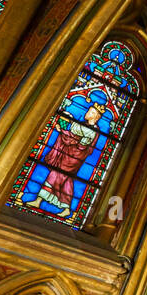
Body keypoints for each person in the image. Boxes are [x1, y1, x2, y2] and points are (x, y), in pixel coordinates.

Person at [23, 89, 110, 219]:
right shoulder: (84, 125)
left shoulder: (93, 131)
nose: (87, 113)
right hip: (67, 155)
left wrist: (64, 132)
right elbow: (74, 136)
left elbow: (80, 145)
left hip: (73, 158)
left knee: (56, 175)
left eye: (90, 112)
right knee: (66, 180)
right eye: (88, 110)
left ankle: (39, 200)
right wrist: (64, 127)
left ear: (95, 116)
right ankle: (65, 208)